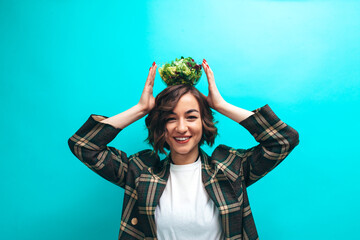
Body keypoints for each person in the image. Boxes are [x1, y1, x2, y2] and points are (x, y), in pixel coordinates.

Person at [68, 59, 300, 240]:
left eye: (191, 117)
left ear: (203, 123)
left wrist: (221, 106)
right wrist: (141, 109)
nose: (181, 128)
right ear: (160, 125)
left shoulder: (231, 168)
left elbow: (283, 140)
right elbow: (84, 145)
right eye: (170, 118)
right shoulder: (139, 172)